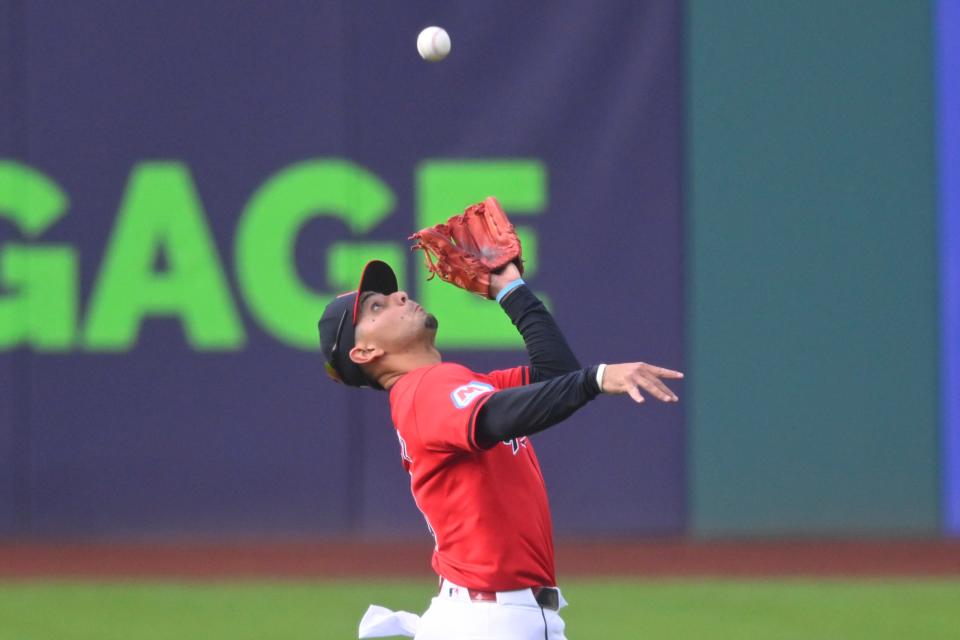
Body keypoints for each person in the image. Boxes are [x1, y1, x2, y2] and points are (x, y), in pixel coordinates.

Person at [318, 259, 682, 640]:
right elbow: (497, 416)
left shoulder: (448, 386)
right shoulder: (425, 390)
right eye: (376, 307)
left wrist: (511, 289)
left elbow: (557, 377)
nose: (401, 296)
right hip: (492, 621)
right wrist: (599, 378)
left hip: (487, 616)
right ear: (365, 352)